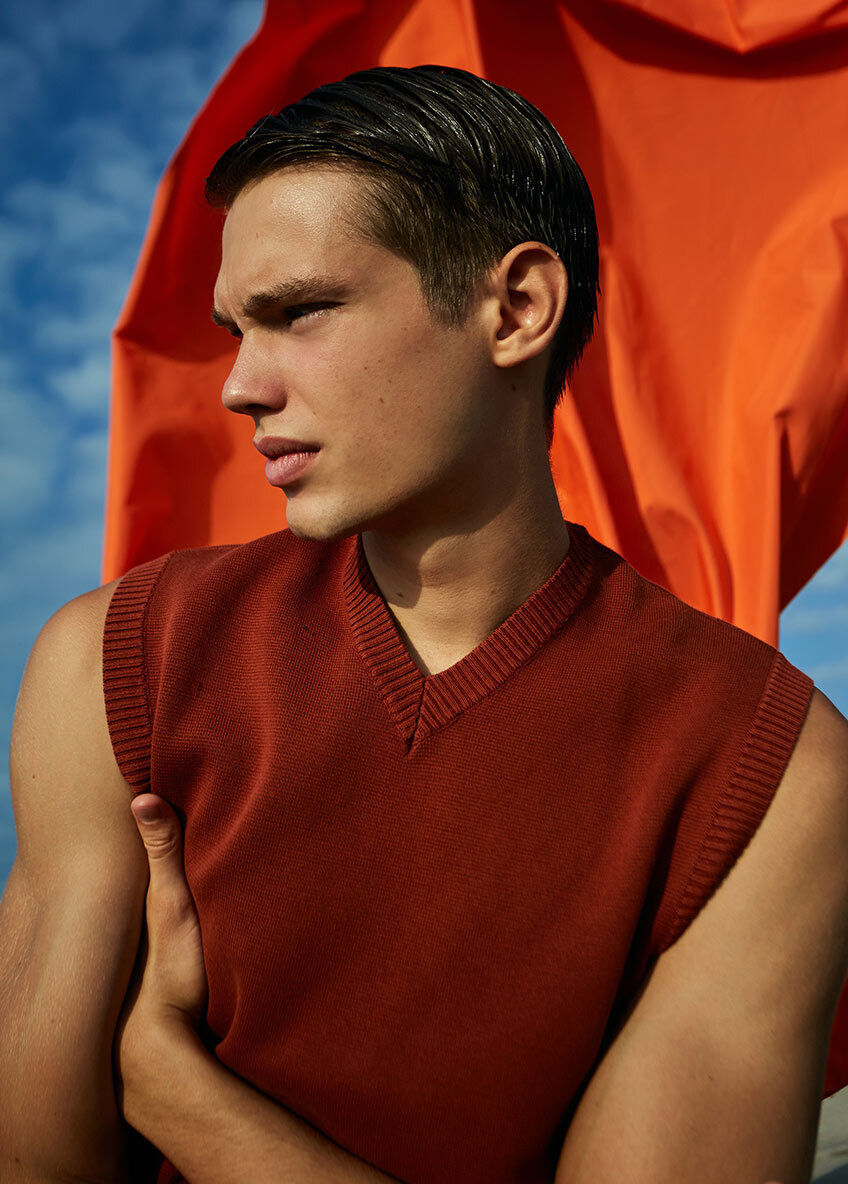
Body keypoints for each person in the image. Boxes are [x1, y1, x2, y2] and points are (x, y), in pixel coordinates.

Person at [1, 64, 846, 1184]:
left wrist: (176, 1090)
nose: (239, 386)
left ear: (516, 309)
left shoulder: (772, 766)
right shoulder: (118, 658)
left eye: (300, 311)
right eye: (235, 329)